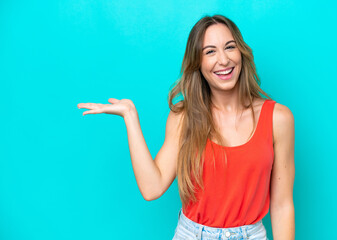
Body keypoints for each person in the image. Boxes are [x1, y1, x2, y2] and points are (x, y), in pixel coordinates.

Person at [77, 14, 295, 240]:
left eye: (230, 47)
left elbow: (283, 206)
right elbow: (152, 188)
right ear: (197, 64)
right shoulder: (185, 116)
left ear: (241, 52)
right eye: (210, 51)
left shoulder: (278, 119)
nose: (223, 60)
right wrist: (130, 117)